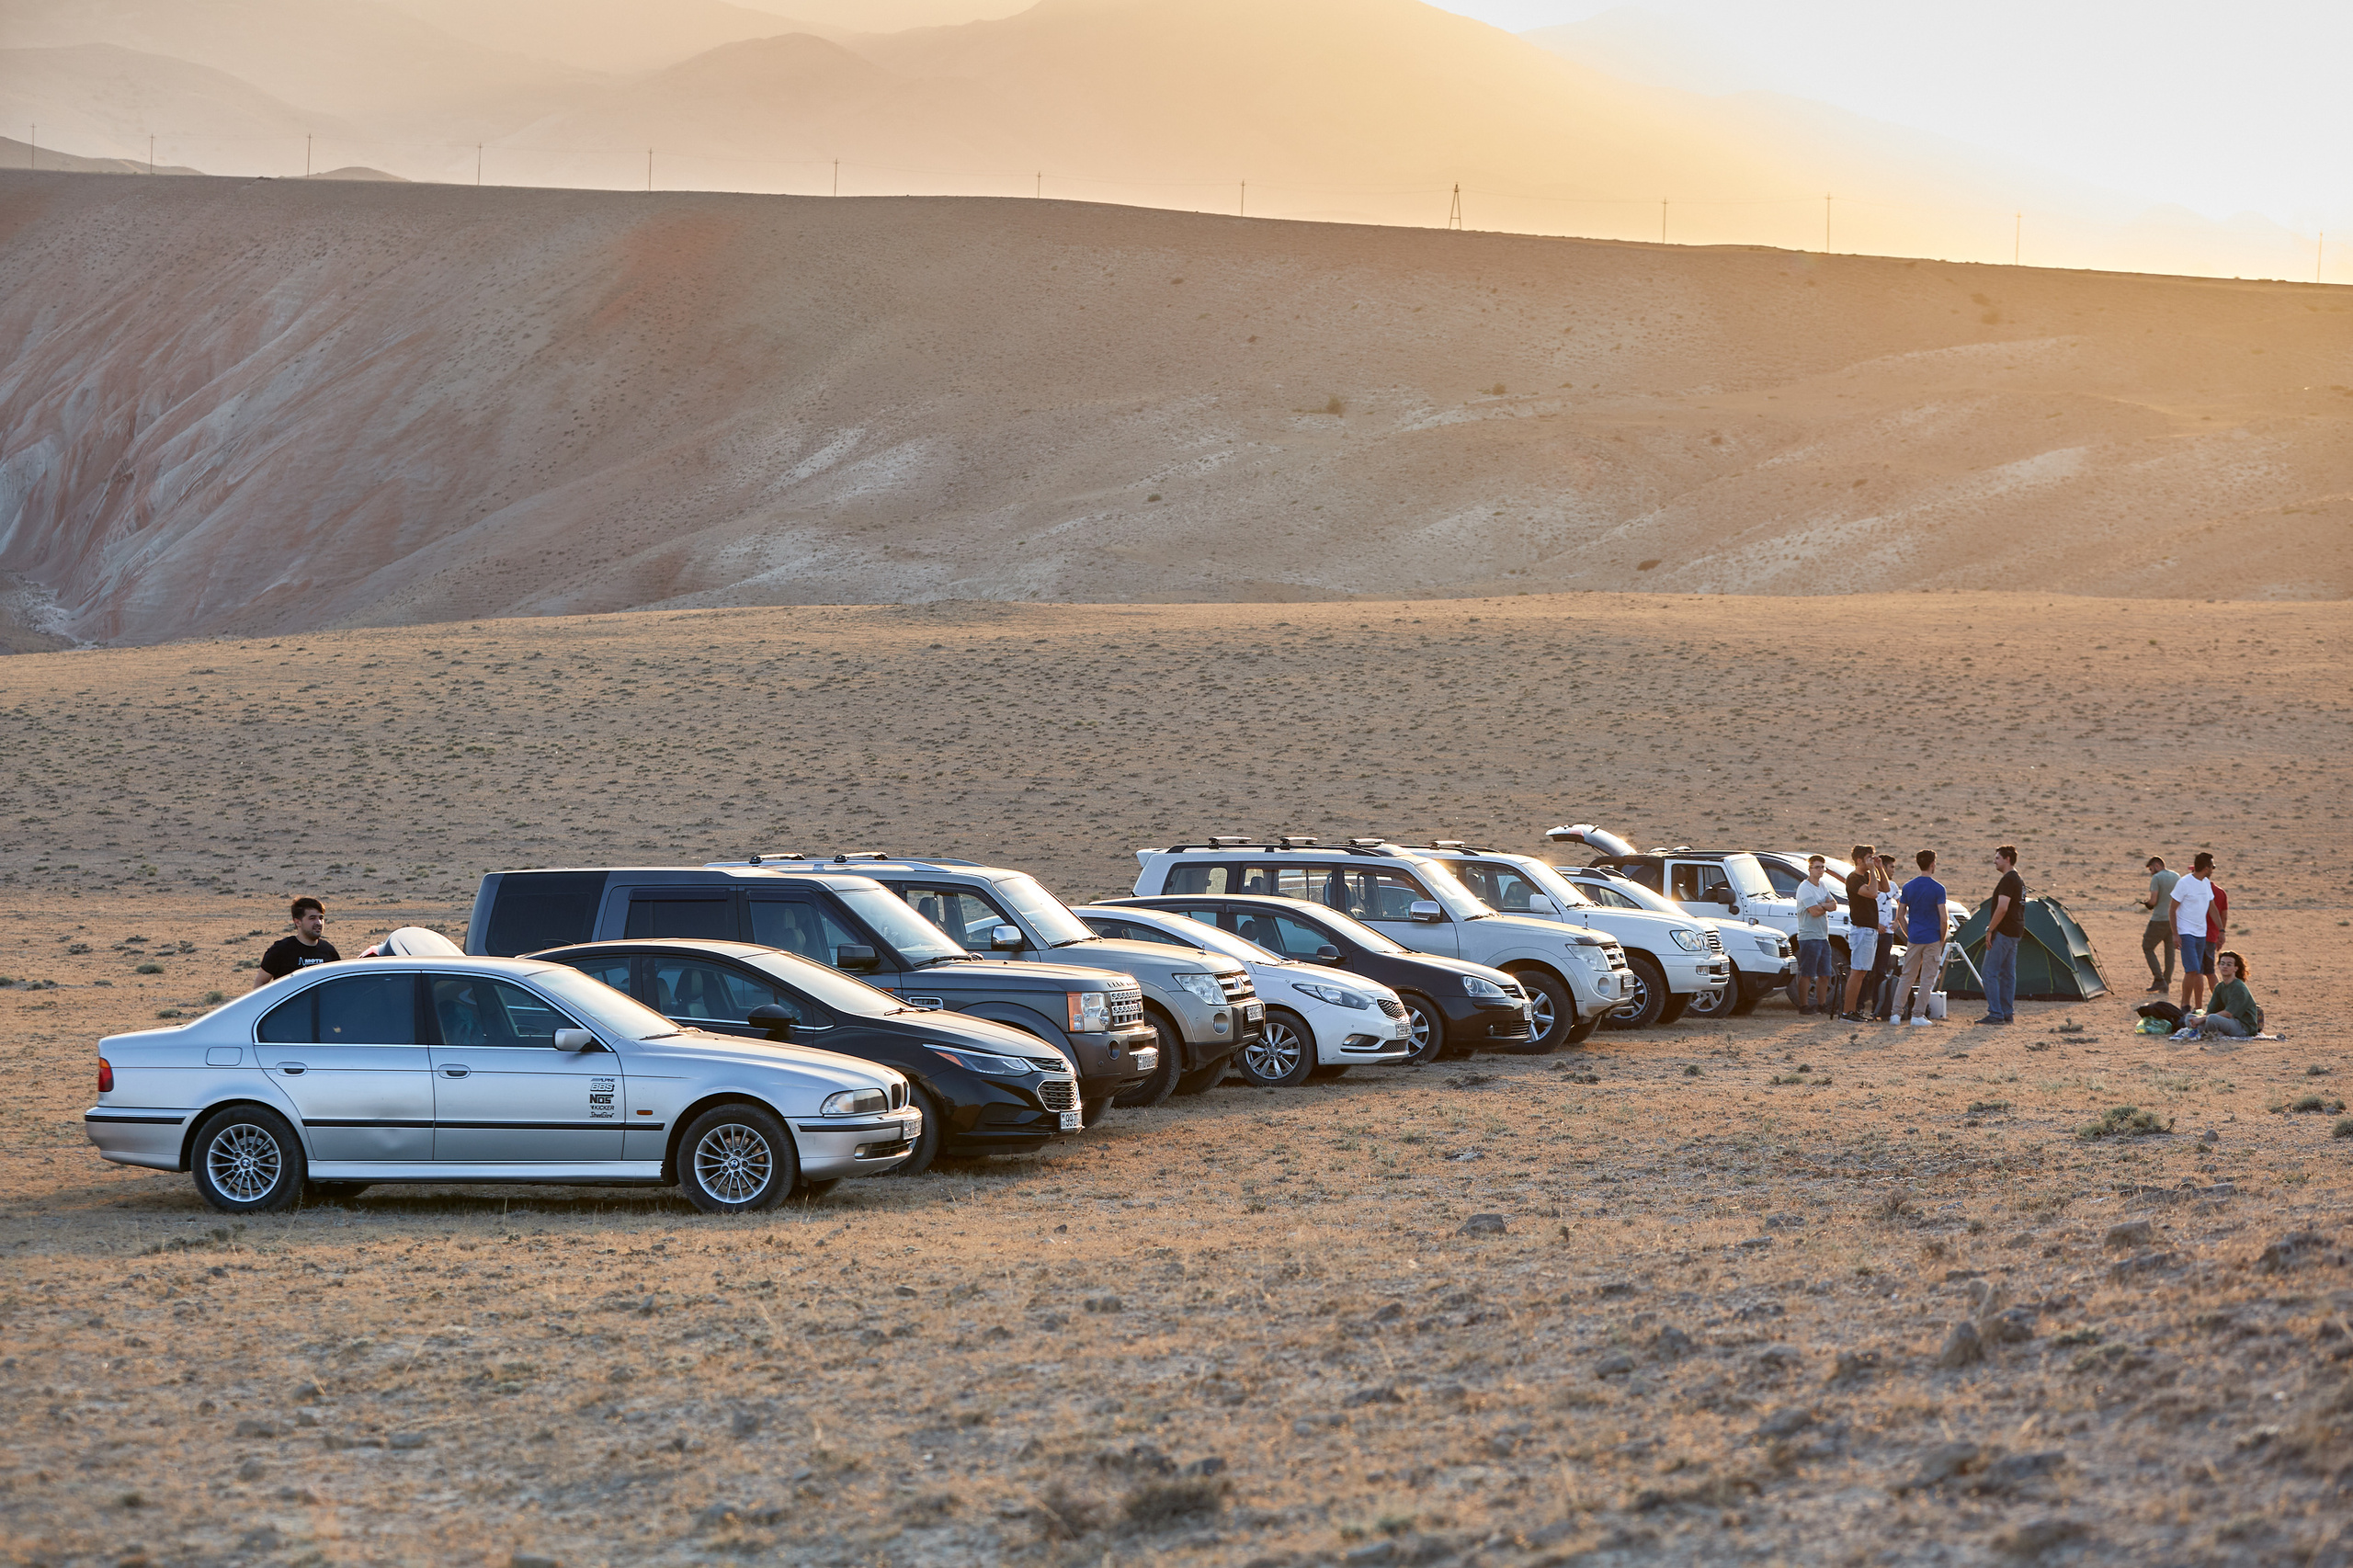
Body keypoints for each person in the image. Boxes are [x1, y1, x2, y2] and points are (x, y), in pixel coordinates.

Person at [1893, 850, 1949, 1026]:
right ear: (1932, 864)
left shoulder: (1908, 886)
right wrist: (1941, 939)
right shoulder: (1938, 888)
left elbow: (1900, 915)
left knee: (1907, 976)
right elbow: (1943, 919)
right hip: (1932, 937)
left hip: (1914, 937)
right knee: (1927, 978)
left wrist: (1909, 933)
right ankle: (1918, 1015)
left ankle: (1896, 1014)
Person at [1976, 845, 2026, 1026]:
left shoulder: (2008, 880)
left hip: (2004, 932)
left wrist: (1990, 929)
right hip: (2016, 931)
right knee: (2007, 973)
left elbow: (2003, 907)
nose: (1994, 861)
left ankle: (1996, 1013)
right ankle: (2006, 1012)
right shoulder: (2018, 879)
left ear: (2007, 859)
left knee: (1989, 972)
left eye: (1998, 858)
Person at [1839, 845, 1887, 1021]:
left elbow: (1885, 888)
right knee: (1857, 972)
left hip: (1869, 930)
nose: (1871, 860)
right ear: (1859, 860)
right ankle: (1847, 1012)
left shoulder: (1868, 876)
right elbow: (1873, 893)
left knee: (1862, 972)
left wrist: (1879, 868)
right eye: (1869, 858)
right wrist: (1873, 870)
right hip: (1861, 930)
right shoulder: (1853, 878)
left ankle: (1852, 1011)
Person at [2168, 853, 2217, 1013]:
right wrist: (2175, 934)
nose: (2213, 870)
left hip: (2201, 933)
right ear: (2206, 868)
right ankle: (2185, 1005)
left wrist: (2221, 930)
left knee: (2198, 971)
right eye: (2212, 867)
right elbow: (2172, 909)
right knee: (2192, 969)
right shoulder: (2184, 883)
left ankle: (2197, 1007)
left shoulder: (2206, 884)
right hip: (2186, 932)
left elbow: (2212, 907)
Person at [255, 897, 339, 990]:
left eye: (321, 918)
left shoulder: (329, 951)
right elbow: (261, 981)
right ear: (298, 922)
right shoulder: (281, 950)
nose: (318, 922)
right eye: (312, 918)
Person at [1791, 855, 1841, 1014]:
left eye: (1822, 867)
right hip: (1809, 936)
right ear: (1810, 869)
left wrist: (1822, 905)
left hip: (1823, 936)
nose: (1820, 870)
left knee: (1825, 974)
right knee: (1807, 973)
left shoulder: (1822, 886)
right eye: (1817, 867)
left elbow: (1834, 905)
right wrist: (1824, 906)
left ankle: (1822, 1004)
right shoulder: (1805, 888)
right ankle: (1804, 1005)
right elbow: (1813, 911)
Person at [2183, 950, 2260, 1040]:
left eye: (2229, 964)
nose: (2225, 967)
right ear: (2219, 966)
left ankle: (2212, 1033)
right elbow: (2210, 1011)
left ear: (2235, 968)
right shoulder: (2219, 987)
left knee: (2212, 1019)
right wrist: (2198, 1019)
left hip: (2242, 1026)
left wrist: (2202, 1019)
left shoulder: (2239, 987)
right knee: (2189, 1018)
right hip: (2225, 1022)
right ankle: (2213, 1032)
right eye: (2222, 964)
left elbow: (2228, 1014)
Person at [1869, 854, 1904, 1020]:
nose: (1893, 871)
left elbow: (1902, 903)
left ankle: (1879, 1006)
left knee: (1881, 971)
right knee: (1868, 970)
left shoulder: (1892, 886)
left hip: (1887, 934)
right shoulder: (1870, 884)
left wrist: (1897, 921)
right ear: (1883, 867)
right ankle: (1860, 1005)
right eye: (1891, 867)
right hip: (1872, 932)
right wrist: (1875, 924)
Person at [2139, 857, 2179, 994]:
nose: (2151, 873)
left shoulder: (2157, 878)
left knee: (2147, 947)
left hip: (2159, 919)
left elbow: (2154, 900)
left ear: (2157, 865)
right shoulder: (2176, 876)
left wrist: (2147, 904)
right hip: (2174, 919)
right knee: (2170, 951)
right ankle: (2166, 981)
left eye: (2151, 869)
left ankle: (2158, 979)